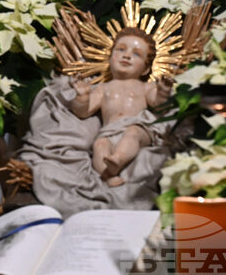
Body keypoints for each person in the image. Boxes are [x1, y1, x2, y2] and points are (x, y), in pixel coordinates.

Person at [68, 28, 173, 187]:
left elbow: (159, 105)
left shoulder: (145, 87)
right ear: (110, 58)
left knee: (132, 133)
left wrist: (163, 92)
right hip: (110, 131)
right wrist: (82, 97)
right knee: (99, 144)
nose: (127, 55)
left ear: (145, 69)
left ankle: (118, 158)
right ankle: (108, 175)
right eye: (121, 49)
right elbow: (83, 112)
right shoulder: (104, 88)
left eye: (136, 54)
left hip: (138, 129)